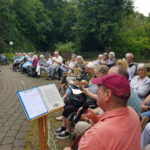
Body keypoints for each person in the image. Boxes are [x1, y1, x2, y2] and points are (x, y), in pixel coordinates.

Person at [64, 74, 141, 150]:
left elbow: (103, 133)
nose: (97, 91)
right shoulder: (132, 112)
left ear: (107, 94)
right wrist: (96, 119)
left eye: (99, 88)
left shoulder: (96, 134)